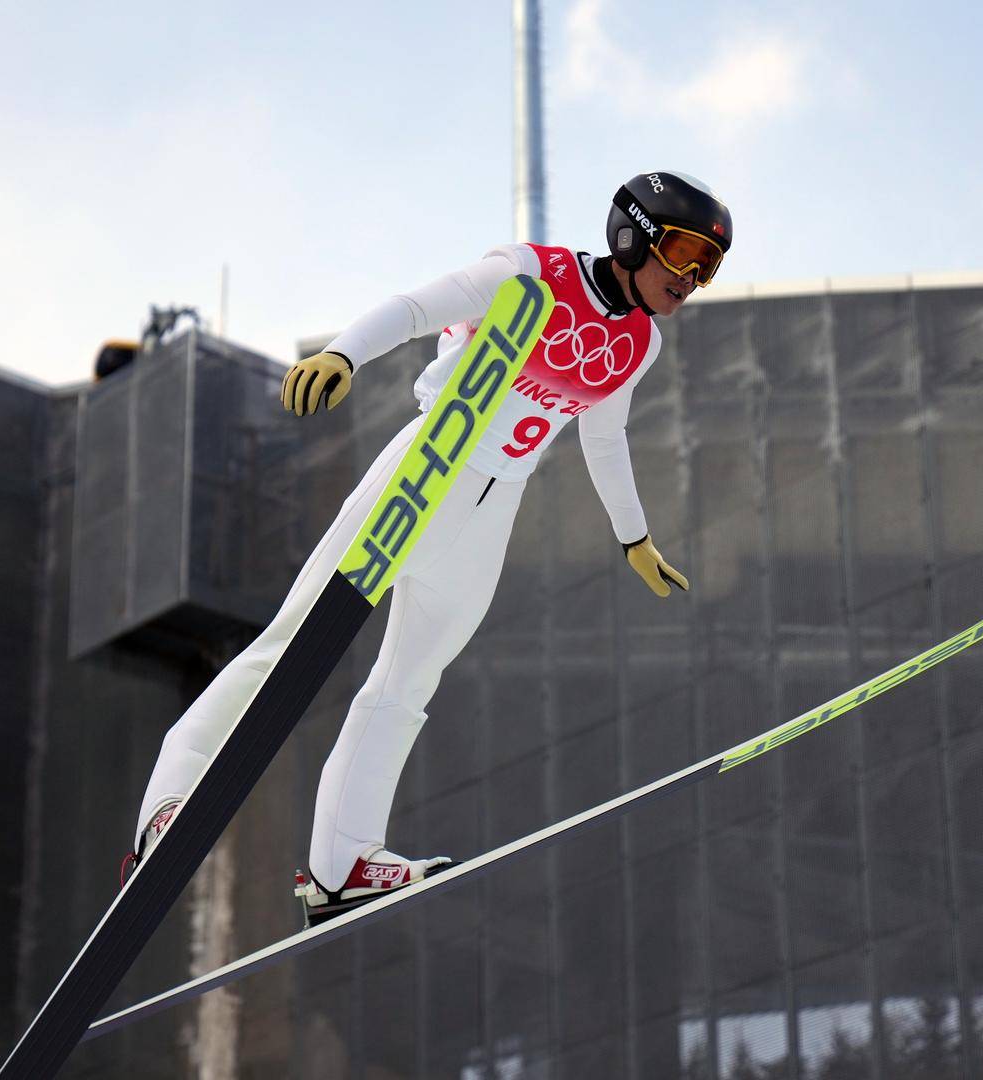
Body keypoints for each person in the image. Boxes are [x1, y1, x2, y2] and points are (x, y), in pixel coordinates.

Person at [122, 172, 733, 925]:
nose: (691, 278)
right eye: (683, 252)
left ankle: (341, 862)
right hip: (426, 468)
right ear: (631, 234)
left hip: (494, 501)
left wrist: (633, 537)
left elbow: (605, 438)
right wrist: (344, 356)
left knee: (410, 678)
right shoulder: (529, 275)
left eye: (709, 266)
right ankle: (169, 801)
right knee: (294, 641)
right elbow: (415, 309)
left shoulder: (639, 343)